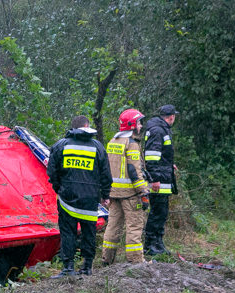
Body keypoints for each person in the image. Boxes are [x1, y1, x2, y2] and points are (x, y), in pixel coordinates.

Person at [47, 115, 112, 277]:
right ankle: (87, 267)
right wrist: (105, 195)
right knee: (89, 231)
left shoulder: (61, 145)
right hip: (90, 199)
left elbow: (52, 171)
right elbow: (106, 175)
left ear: (73, 127)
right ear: (87, 126)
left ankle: (68, 268)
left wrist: (59, 188)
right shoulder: (97, 147)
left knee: (67, 232)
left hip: (67, 197)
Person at [101, 108, 151, 265]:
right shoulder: (132, 144)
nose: (141, 126)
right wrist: (143, 192)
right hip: (130, 195)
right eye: (139, 123)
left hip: (114, 194)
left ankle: (106, 259)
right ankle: (136, 260)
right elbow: (134, 171)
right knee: (134, 226)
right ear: (132, 125)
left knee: (113, 226)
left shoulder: (112, 142)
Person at [143, 104, 179, 256]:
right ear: (171, 117)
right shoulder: (158, 130)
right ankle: (151, 245)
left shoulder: (161, 128)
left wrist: (170, 165)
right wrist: (155, 179)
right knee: (157, 212)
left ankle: (157, 243)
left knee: (161, 212)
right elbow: (151, 156)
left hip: (163, 175)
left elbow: (161, 154)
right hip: (159, 180)